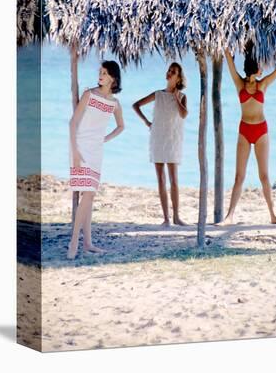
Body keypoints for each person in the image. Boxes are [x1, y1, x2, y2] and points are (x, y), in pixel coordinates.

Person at [218, 47, 276, 225]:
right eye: (261, 66)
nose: (263, 70)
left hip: (261, 131)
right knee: (239, 176)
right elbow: (229, 62)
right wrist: (227, 50)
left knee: (264, 176)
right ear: (255, 68)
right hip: (244, 130)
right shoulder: (240, 84)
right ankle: (229, 216)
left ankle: (273, 215)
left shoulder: (263, 84)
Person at [67, 61, 124, 259]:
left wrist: (105, 139)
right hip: (81, 147)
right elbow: (73, 123)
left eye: (105, 73)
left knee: (90, 196)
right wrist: (74, 151)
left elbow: (121, 126)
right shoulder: (89, 95)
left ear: (113, 78)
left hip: (96, 150)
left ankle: (88, 243)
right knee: (88, 193)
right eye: (100, 72)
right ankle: (74, 241)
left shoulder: (114, 103)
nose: (100, 75)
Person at [133, 63, 188, 227]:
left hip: (173, 139)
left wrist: (177, 98)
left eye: (173, 72)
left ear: (178, 78)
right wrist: (147, 122)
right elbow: (136, 105)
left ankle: (177, 216)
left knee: (174, 180)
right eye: (169, 71)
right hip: (157, 137)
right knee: (161, 179)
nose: (169, 73)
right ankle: (166, 218)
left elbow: (184, 114)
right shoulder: (158, 94)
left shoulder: (182, 96)